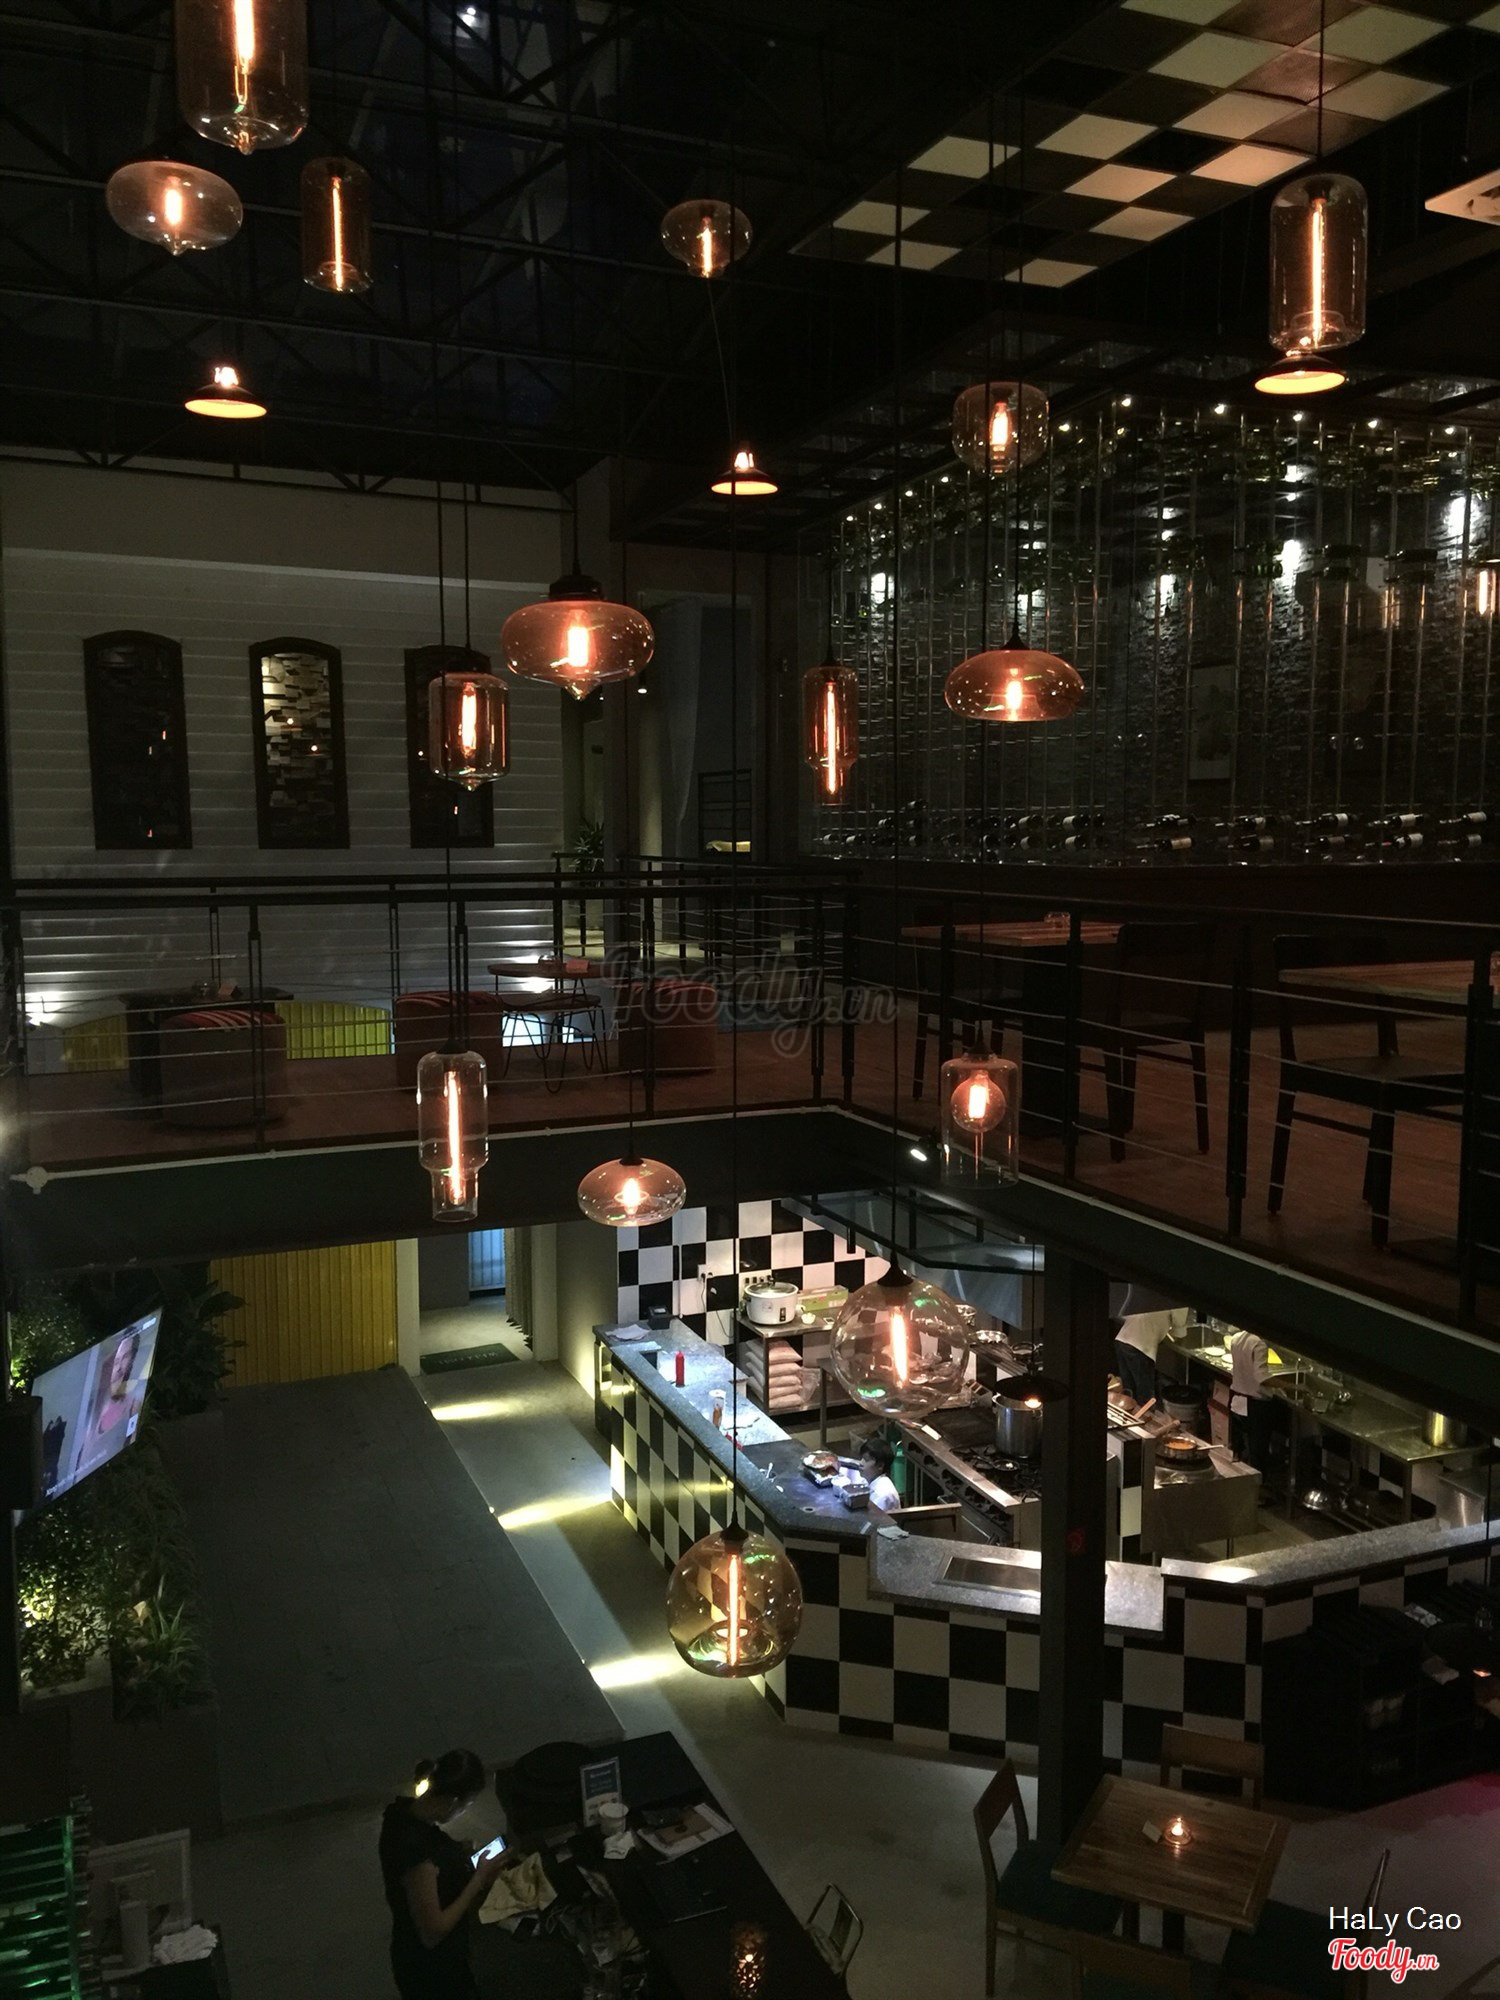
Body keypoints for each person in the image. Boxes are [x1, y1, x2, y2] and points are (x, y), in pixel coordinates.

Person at [379, 1750, 510, 2000]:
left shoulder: (400, 1813)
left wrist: (456, 1851)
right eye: (466, 1806)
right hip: (431, 1971)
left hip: (410, 1949)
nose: (463, 1812)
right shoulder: (417, 1855)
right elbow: (433, 1932)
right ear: (453, 1802)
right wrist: (478, 1879)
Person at [1113, 1291, 1189, 1410]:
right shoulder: (1179, 1299)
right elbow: (1179, 1328)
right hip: (1140, 1348)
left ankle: (1130, 1418)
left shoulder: (1155, 1293)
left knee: (1129, 1392)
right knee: (1145, 1396)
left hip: (1121, 1341)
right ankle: (1145, 1419)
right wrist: (1178, 1335)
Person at [1228, 1327, 1275, 1473]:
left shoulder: (1236, 1338)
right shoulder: (1259, 1344)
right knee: (1257, 1454)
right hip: (1256, 1405)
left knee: (1238, 1449)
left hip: (1236, 1400)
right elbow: (1262, 1377)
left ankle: (1236, 1477)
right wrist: (1292, 1386)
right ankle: (1256, 1482)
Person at [858, 1436, 901, 1513]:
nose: (860, 1463)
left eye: (866, 1460)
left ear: (880, 1466)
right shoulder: (869, 1479)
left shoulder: (882, 1494)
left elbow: (873, 1517)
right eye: (861, 1458)